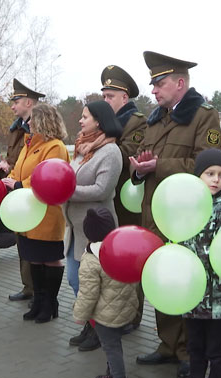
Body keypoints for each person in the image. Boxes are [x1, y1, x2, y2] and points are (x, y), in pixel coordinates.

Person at [130, 51, 221, 378]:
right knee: (160, 276)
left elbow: (206, 165)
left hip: (185, 216)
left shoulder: (203, 116)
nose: (154, 90)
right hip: (155, 212)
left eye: (160, 83)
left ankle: (188, 352)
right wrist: (138, 170)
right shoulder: (154, 118)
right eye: (153, 84)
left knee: (183, 279)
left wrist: (159, 165)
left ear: (180, 83)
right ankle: (168, 343)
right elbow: (144, 162)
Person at [65, 101, 123, 351]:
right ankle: (91, 324)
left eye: (85, 116)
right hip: (75, 228)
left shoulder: (110, 152)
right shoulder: (81, 147)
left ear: (99, 120)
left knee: (90, 285)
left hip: (95, 231)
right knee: (74, 280)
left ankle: (100, 331)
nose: (80, 120)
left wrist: (66, 191)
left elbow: (103, 189)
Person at [2, 103, 68, 324]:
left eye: (32, 119)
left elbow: (49, 176)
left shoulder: (55, 147)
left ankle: (50, 303)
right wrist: (10, 179)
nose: (28, 123)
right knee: (34, 260)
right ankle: (39, 301)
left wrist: (19, 184)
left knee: (49, 259)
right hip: (28, 214)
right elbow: (19, 169)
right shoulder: (29, 144)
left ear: (43, 121)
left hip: (46, 214)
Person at [181, 148, 221, 378]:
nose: (216, 179)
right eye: (209, 174)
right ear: (198, 176)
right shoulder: (187, 205)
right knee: (194, 348)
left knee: (216, 350)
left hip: (217, 298)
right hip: (192, 295)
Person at [101, 65, 147, 331]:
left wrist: (100, 144)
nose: (105, 101)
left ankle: (134, 314)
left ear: (124, 98)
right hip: (108, 201)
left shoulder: (136, 122)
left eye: (110, 96)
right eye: (104, 96)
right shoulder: (106, 124)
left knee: (131, 260)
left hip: (127, 204)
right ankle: (116, 313)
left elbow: (126, 153)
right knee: (111, 261)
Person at [73, 207, 139, 378]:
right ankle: (112, 374)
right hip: (123, 308)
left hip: (105, 315)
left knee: (111, 347)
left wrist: (80, 315)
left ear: (88, 233)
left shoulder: (91, 259)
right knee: (113, 344)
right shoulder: (122, 249)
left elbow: (88, 294)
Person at [4, 79, 46, 303]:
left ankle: (38, 290)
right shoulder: (18, 127)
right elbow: (17, 158)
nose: (13, 106)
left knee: (35, 245)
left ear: (29, 102)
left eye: (16, 101)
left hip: (32, 194)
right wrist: (8, 168)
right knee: (22, 241)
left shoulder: (41, 129)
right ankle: (28, 286)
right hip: (17, 190)